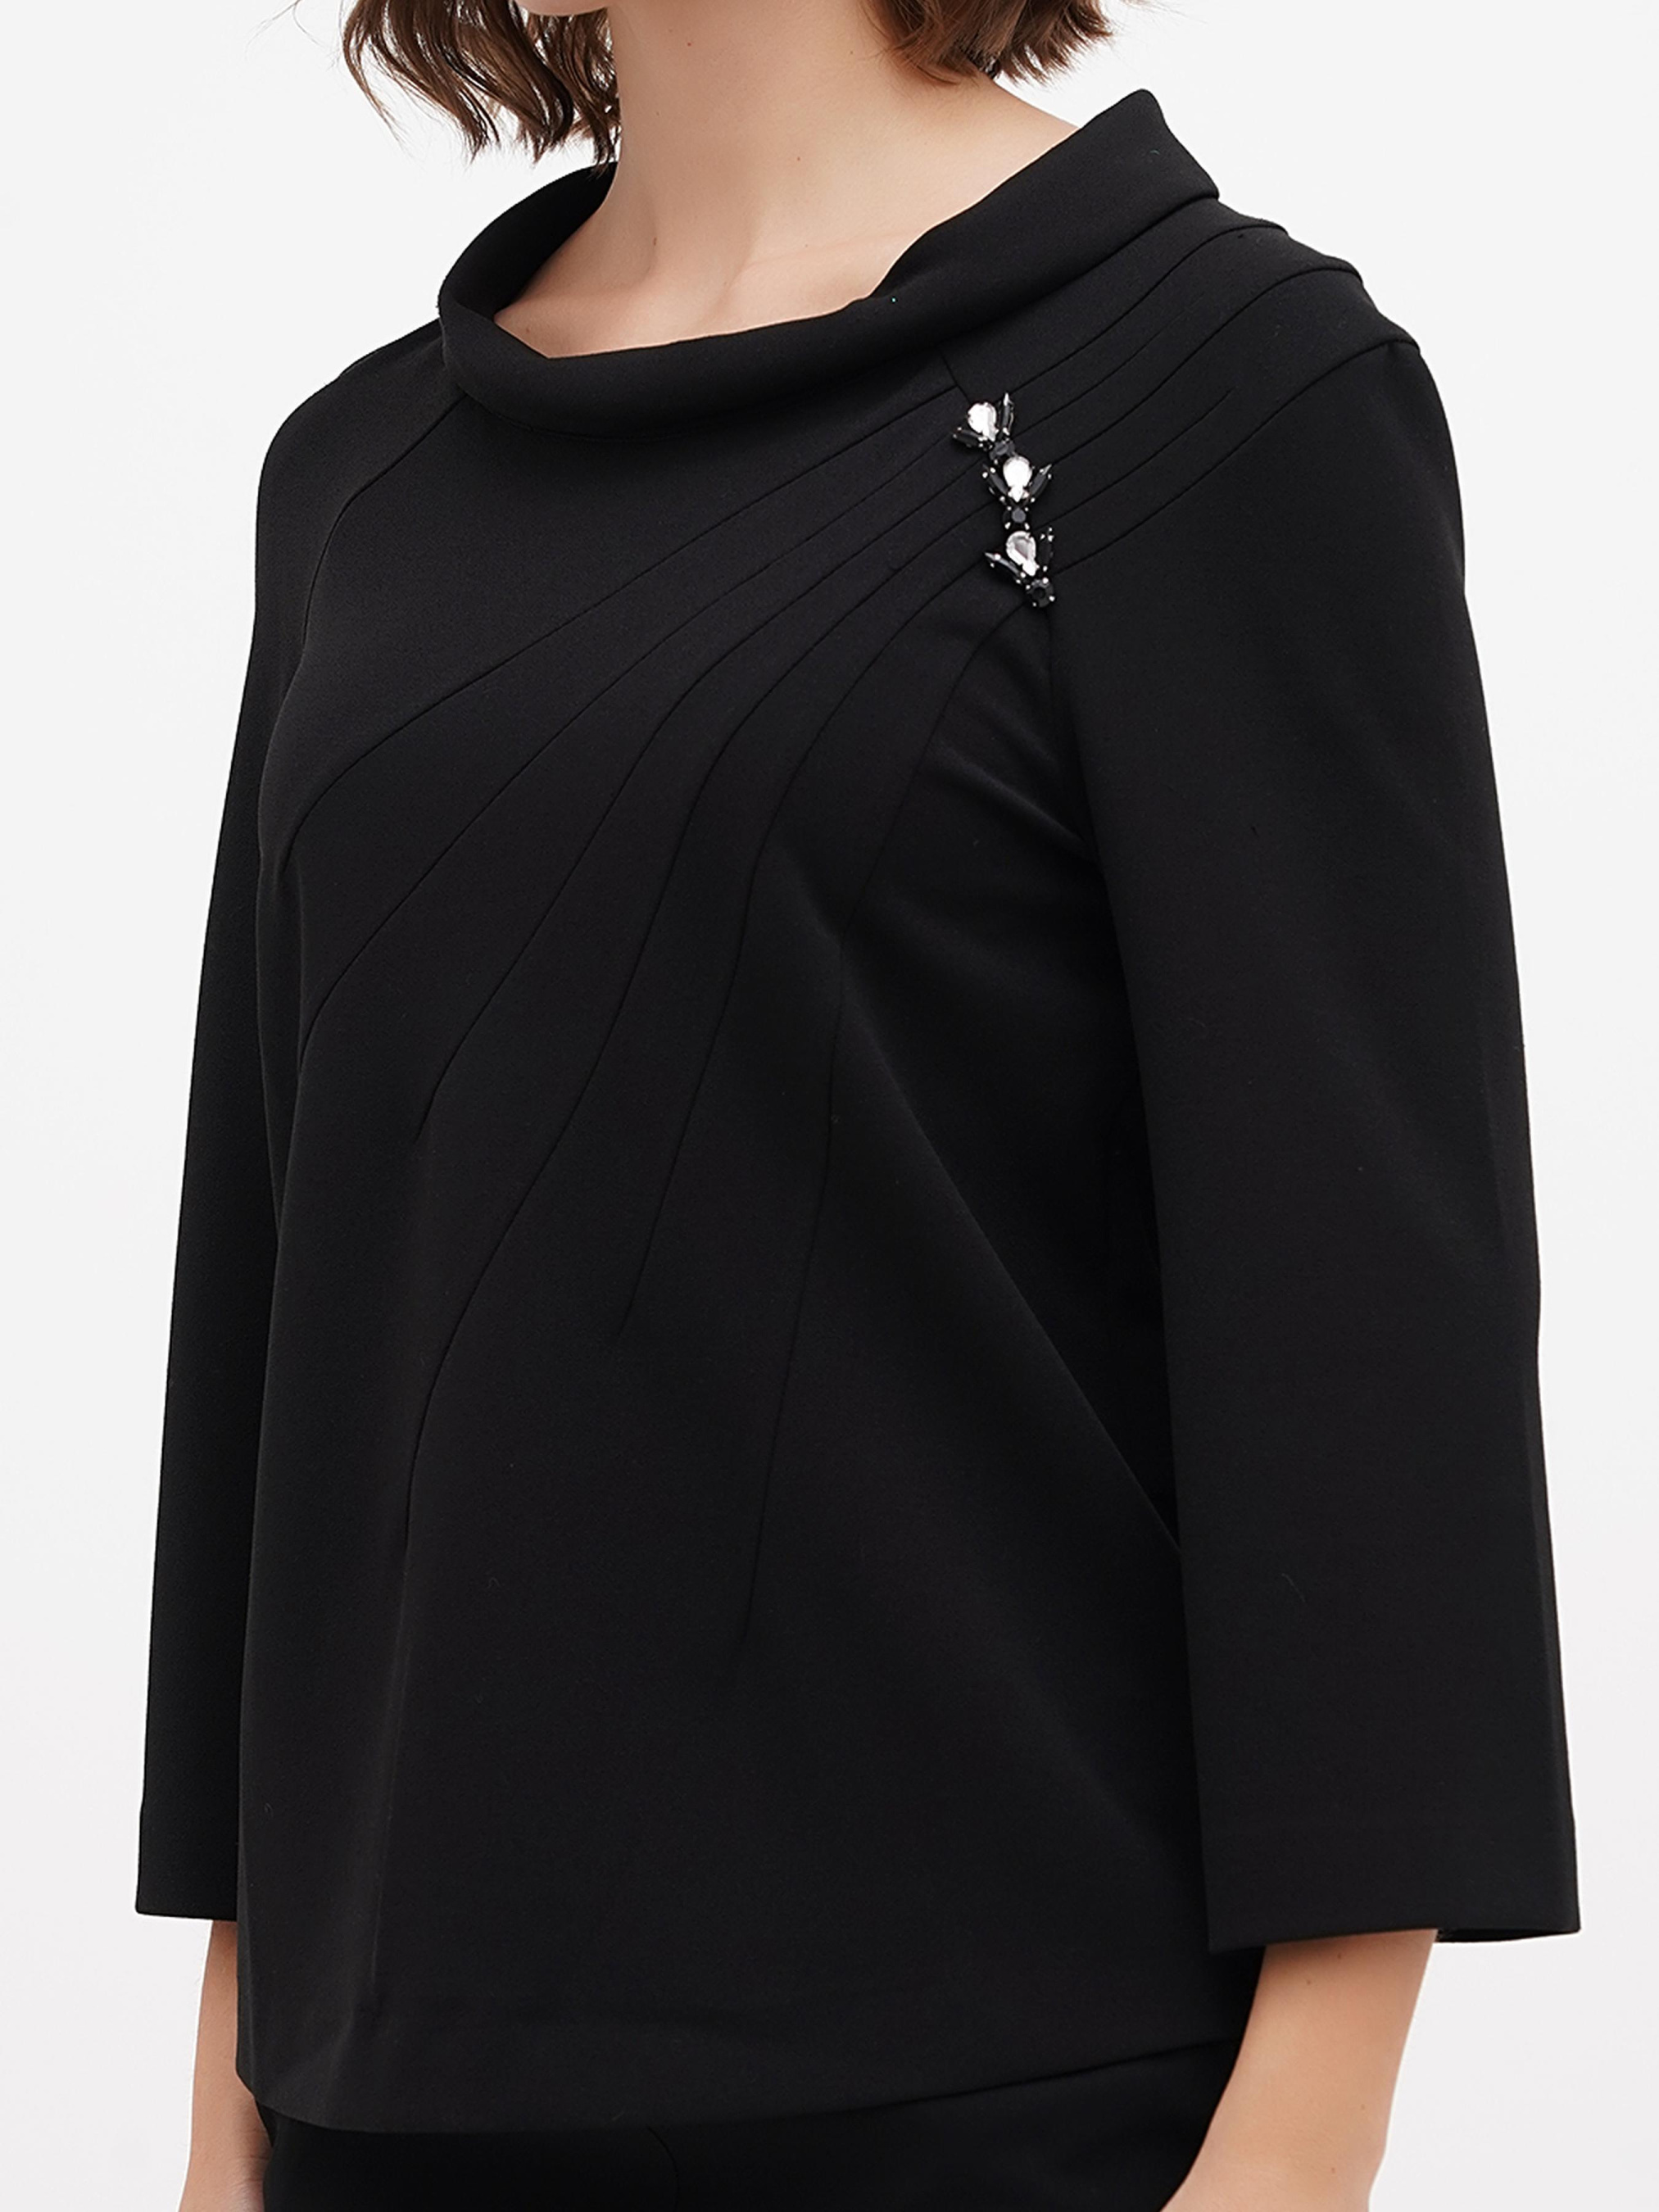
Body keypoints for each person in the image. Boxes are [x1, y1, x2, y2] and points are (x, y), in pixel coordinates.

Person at [135, 4, 1580, 2208]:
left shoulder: (1215, 389)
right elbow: (282, 1293)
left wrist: (1295, 2146)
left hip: (1010, 2100)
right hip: (380, 2106)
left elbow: (1370, 1335)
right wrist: (227, 2084)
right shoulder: (356, 481)